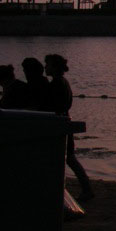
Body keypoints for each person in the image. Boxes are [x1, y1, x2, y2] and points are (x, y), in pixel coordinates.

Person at [44, 54, 94, 202]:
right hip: (64, 121)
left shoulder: (56, 84)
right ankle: (87, 188)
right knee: (70, 158)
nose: (46, 68)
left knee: (68, 158)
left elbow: (53, 106)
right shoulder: (63, 82)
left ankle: (86, 189)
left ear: (55, 67)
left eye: (48, 65)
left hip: (59, 124)